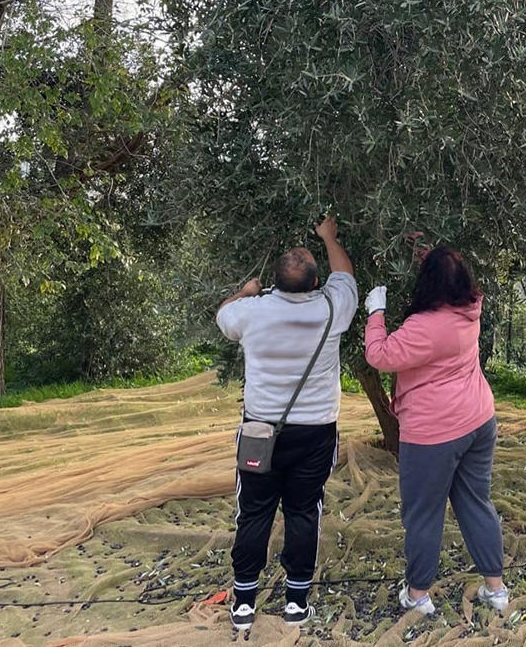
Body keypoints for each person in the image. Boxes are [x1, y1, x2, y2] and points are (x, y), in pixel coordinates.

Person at [215, 215, 358, 631]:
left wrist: (244, 292)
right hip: (316, 432)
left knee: (253, 512)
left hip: (261, 431)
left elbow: (223, 317)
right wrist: (329, 237)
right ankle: (296, 602)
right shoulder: (333, 307)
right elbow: (345, 275)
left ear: (275, 284)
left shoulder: (251, 312)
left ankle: (243, 603)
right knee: (303, 511)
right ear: (316, 284)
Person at [363, 246, 509, 616]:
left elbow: (379, 355)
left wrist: (375, 313)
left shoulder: (425, 327)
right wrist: (426, 252)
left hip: (434, 433)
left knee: (424, 514)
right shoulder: (471, 305)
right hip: (478, 420)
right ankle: (496, 589)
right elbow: (449, 272)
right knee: (476, 502)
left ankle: (418, 595)